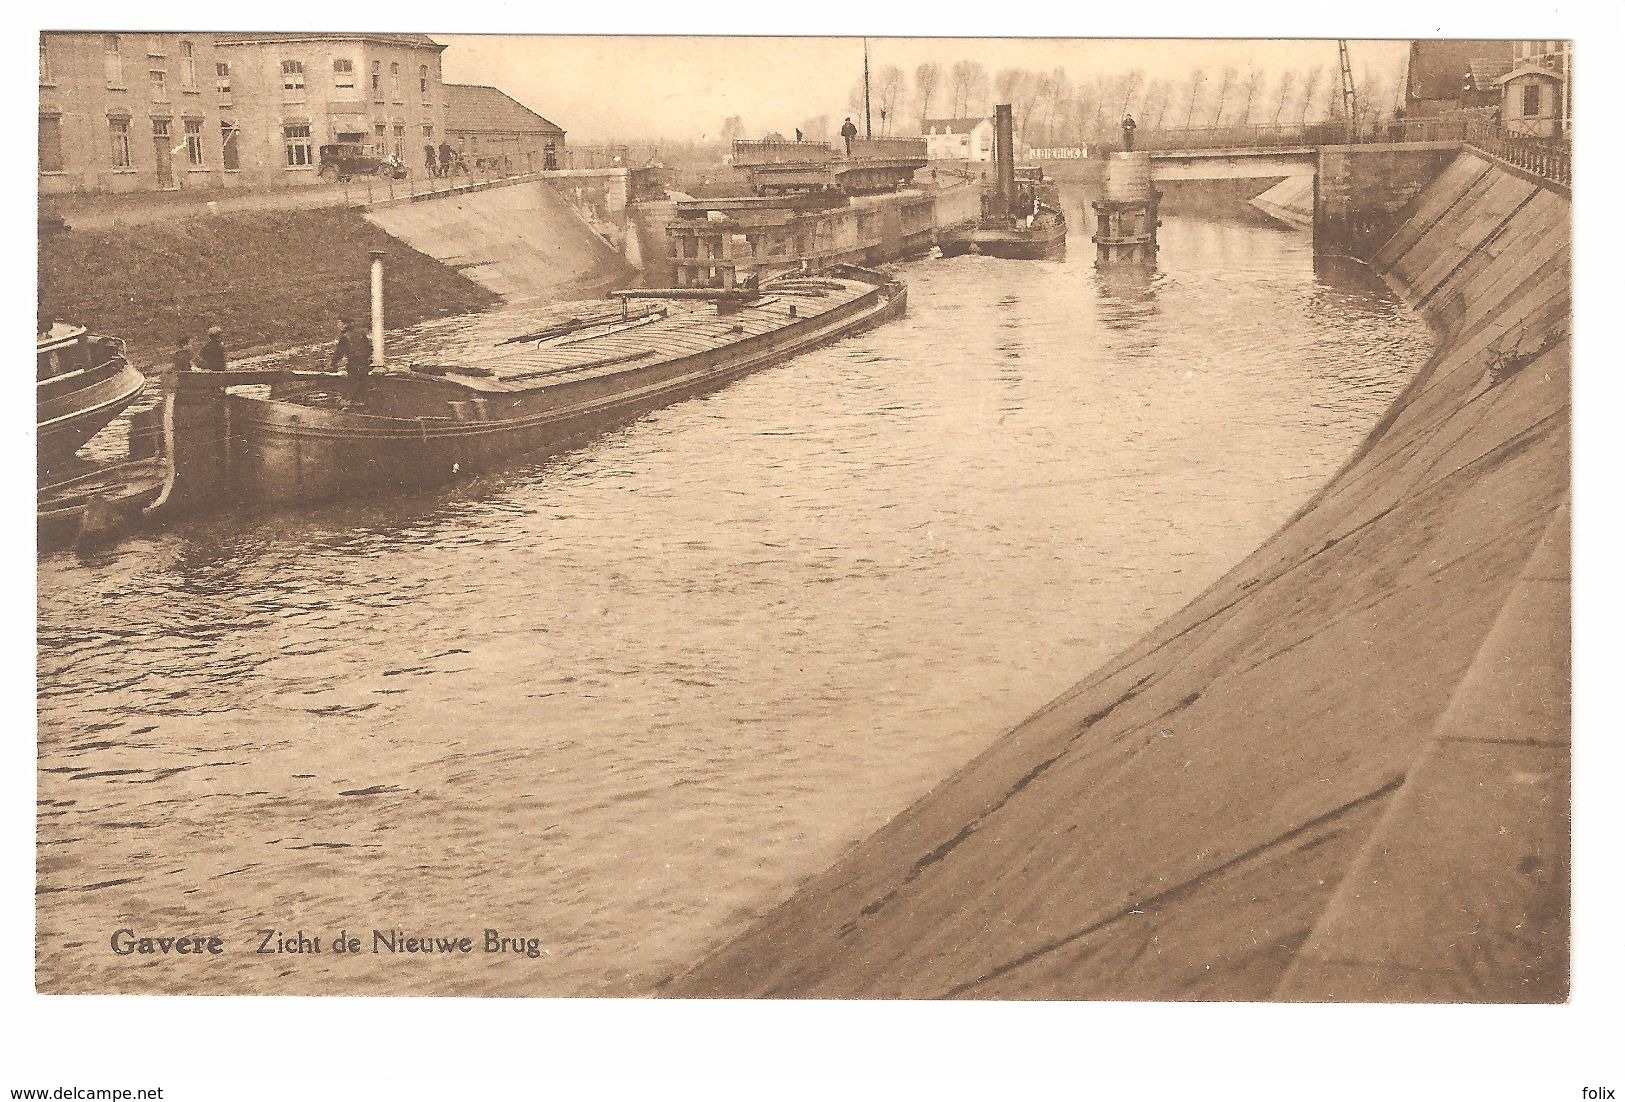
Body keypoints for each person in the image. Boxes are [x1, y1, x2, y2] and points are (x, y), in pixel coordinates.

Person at [331, 319, 374, 402]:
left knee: (352, 382)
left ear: (344, 324)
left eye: (339, 324)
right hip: (364, 362)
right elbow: (369, 349)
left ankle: (350, 402)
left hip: (353, 363)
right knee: (363, 382)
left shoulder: (345, 337)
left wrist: (333, 364)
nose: (338, 326)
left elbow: (338, 353)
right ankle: (364, 401)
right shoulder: (361, 334)